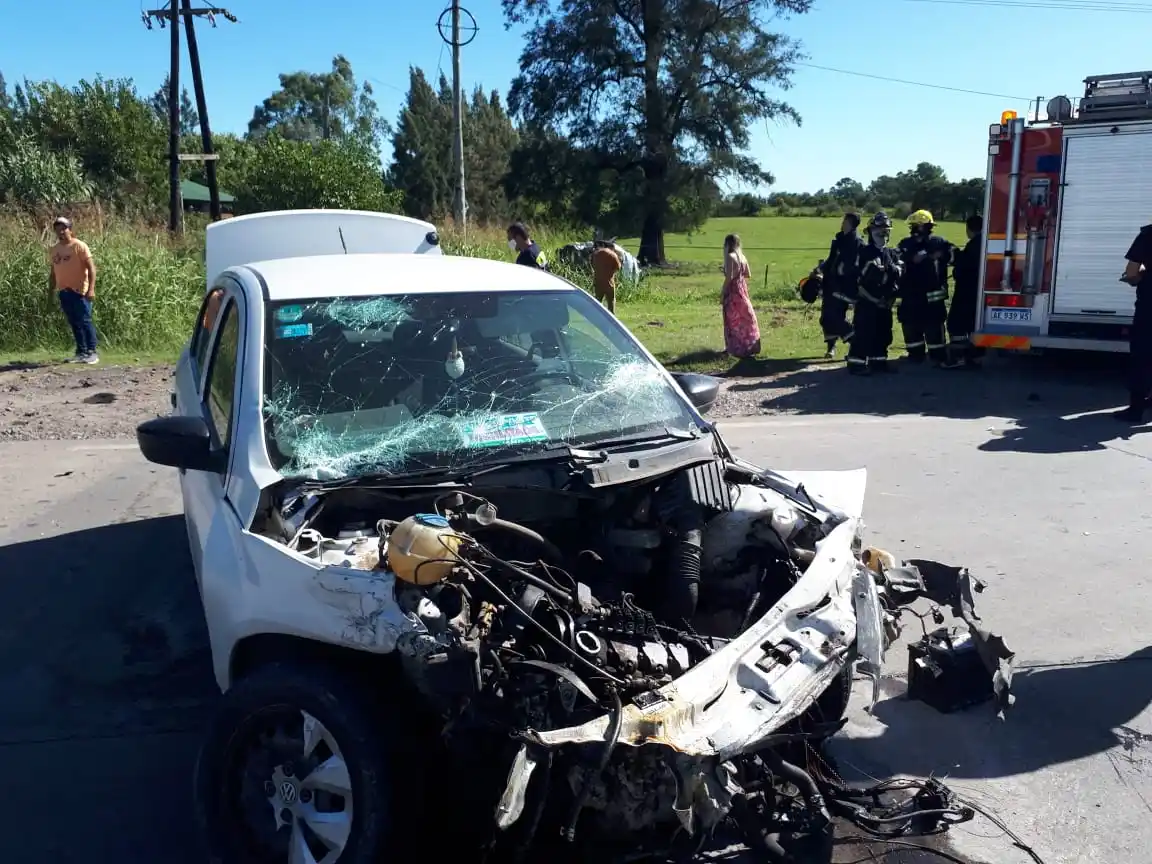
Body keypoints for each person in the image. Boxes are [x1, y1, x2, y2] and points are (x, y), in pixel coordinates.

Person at [846, 212, 903, 376]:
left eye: (886, 229)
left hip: (885, 303)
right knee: (864, 333)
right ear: (870, 231)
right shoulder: (864, 252)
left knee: (884, 333)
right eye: (878, 229)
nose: (882, 232)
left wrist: (889, 299)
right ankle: (856, 364)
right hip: (867, 302)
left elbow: (898, 276)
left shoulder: (891, 254)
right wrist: (873, 299)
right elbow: (858, 281)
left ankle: (878, 363)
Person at [896, 210, 952, 366]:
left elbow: (954, 256)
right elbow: (896, 260)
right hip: (919, 297)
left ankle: (926, 355)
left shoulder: (938, 243)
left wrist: (938, 255)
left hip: (919, 297)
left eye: (915, 225)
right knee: (915, 327)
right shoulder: (908, 244)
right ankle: (926, 355)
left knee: (924, 327)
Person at [47, 216, 99, 365]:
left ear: (70, 229)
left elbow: (91, 268)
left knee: (85, 320)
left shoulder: (79, 246)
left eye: (64, 228)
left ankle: (92, 352)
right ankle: (81, 351)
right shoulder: (55, 249)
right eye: (58, 229)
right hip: (64, 290)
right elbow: (53, 272)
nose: (61, 232)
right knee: (74, 322)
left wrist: (91, 289)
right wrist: (51, 291)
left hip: (79, 291)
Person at [1115, 221, 1152, 423]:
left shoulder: (1148, 235)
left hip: (1150, 306)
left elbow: (1131, 270)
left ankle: (1136, 410)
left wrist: (1136, 278)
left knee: (1143, 355)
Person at [813, 212, 863, 359]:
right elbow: (831, 260)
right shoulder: (839, 240)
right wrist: (820, 269)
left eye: (845, 221)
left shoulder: (857, 242)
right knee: (826, 318)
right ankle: (831, 347)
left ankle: (856, 341)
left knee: (832, 318)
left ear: (850, 223)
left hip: (844, 287)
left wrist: (844, 271)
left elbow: (856, 265)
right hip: (831, 284)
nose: (842, 223)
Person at [941, 214, 985, 370]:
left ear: (969, 229)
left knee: (956, 324)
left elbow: (963, 269)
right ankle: (976, 357)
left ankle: (958, 358)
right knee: (975, 324)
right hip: (980, 292)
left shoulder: (973, 245)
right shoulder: (986, 243)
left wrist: (955, 260)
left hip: (967, 291)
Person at [721, 233, 761, 359]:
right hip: (742, 290)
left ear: (728, 244)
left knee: (731, 320)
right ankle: (750, 344)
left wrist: (722, 292)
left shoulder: (730, 256)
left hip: (732, 291)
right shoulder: (742, 257)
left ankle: (734, 347)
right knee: (745, 318)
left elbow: (729, 277)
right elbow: (748, 274)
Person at [591, 239, 622, 314]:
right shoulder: (612, 254)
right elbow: (618, 267)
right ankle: (611, 318)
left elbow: (592, 265)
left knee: (598, 302)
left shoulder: (596, 254)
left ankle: (597, 317)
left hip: (598, 282)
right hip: (609, 283)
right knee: (611, 302)